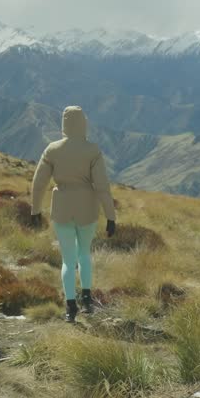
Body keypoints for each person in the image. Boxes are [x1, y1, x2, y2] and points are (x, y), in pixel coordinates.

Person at [30, 106, 117, 323]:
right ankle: (87, 299)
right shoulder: (93, 150)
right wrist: (111, 215)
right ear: (83, 123)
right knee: (84, 254)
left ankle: (70, 307)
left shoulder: (52, 150)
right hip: (87, 209)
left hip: (62, 209)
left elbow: (39, 184)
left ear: (64, 124)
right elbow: (102, 187)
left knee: (68, 260)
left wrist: (35, 210)